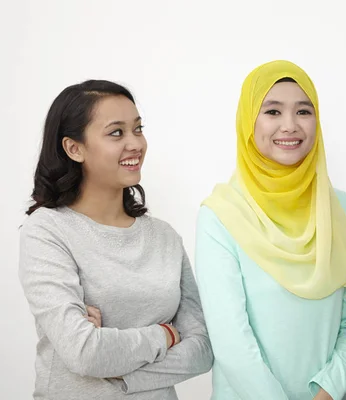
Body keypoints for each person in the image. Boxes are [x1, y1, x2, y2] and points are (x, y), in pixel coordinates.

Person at [19, 80, 213, 400]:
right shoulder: (47, 231)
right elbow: (85, 352)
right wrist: (165, 335)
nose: (135, 143)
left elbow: (203, 349)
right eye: (116, 132)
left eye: (138, 129)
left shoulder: (164, 237)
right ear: (74, 148)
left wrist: (119, 374)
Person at [195, 60, 346, 400]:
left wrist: (328, 390)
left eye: (303, 111)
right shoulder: (221, 214)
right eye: (272, 112)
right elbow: (230, 340)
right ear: (248, 121)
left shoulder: (339, 208)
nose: (290, 125)